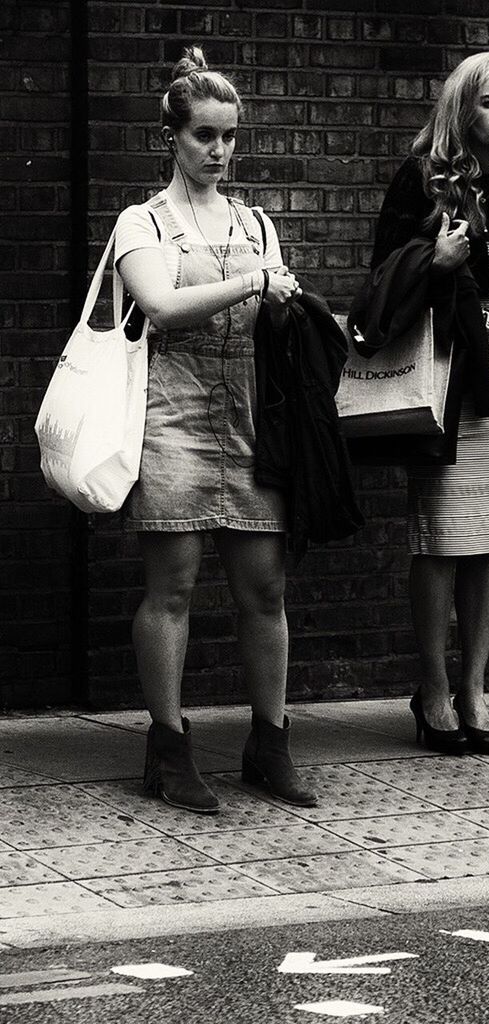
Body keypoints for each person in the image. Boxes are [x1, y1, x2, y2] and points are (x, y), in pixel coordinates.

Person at [114, 46, 316, 813]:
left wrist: (281, 298)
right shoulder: (145, 221)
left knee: (265, 587)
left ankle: (271, 743)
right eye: (205, 134)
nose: (220, 150)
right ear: (173, 134)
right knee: (174, 588)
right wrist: (255, 279)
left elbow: (268, 311)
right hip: (174, 415)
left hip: (248, 414)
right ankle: (167, 751)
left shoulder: (253, 220)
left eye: (230, 135)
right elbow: (161, 308)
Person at [367, 52, 489, 755]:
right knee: (441, 536)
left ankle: (475, 687)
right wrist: (435, 258)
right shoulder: (420, 181)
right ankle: (434, 687)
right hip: (441, 369)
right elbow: (380, 277)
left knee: (487, 537)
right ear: (463, 110)